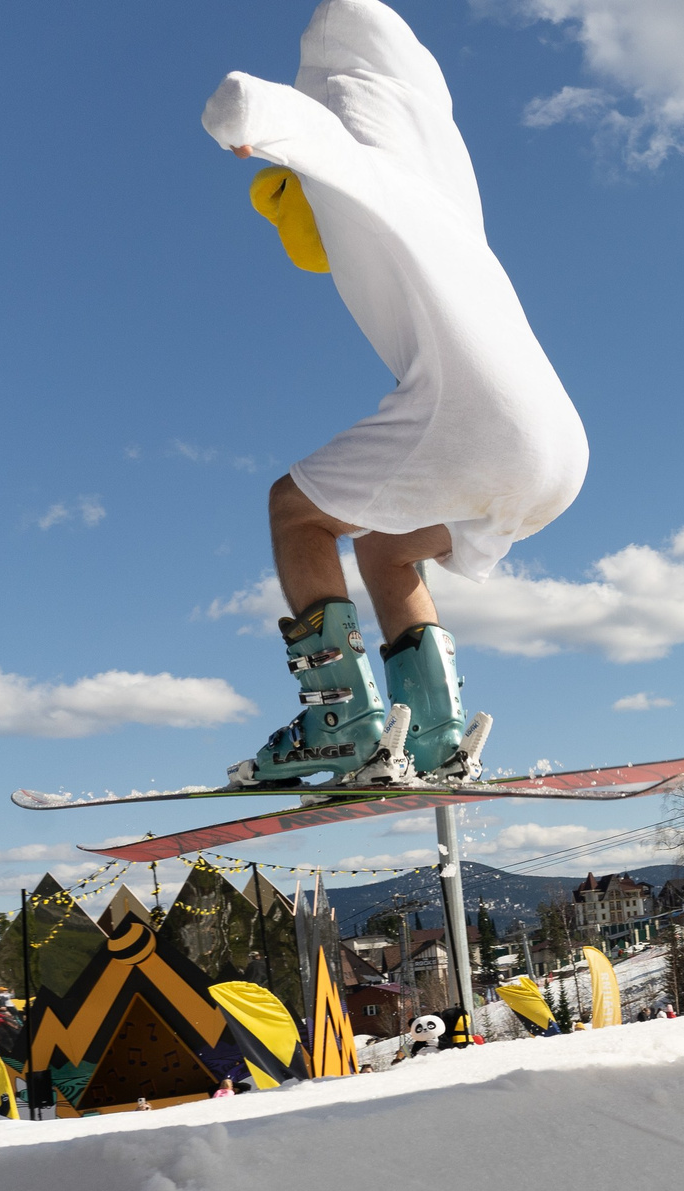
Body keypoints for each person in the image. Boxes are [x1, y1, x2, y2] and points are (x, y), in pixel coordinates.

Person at [205, 0, 588, 789]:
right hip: (561, 448)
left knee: (295, 510)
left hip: (474, 418)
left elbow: (253, 106)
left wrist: (249, 126)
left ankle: (339, 723)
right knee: (385, 543)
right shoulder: (446, 191)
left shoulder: (356, 152)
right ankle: (436, 737)